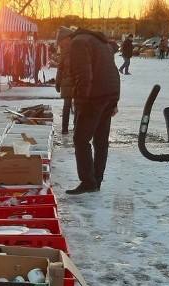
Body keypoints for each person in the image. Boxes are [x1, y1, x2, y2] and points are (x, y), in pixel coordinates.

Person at [66, 27, 121, 195]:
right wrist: (115, 99)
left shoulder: (77, 43)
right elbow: (113, 71)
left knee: (81, 139)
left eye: (61, 46)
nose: (62, 50)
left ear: (66, 39)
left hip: (94, 97)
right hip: (109, 94)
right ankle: (97, 179)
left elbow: (83, 75)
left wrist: (81, 101)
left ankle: (89, 181)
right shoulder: (99, 41)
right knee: (100, 141)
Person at [55, 26, 76, 134]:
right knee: (69, 105)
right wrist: (58, 82)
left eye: (61, 43)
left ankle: (74, 128)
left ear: (66, 38)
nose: (61, 46)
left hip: (76, 81)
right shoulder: (67, 50)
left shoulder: (78, 47)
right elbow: (60, 68)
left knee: (75, 106)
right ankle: (65, 128)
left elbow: (60, 68)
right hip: (69, 82)